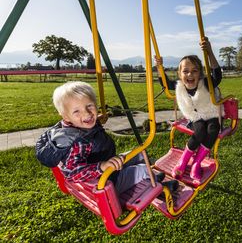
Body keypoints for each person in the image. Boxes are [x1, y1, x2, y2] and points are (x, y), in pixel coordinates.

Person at [35, 81, 173, 194]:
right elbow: (72, 172)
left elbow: (85, 126)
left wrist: (97, 120)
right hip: (107, 182)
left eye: (89, 106)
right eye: (77, 111)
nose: (87, 113)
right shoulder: (77, 143)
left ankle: (151, 173)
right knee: (143, 169)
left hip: (106, 166)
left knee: (139, 155)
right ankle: (159, 187)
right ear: (65, 116)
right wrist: (101, 167)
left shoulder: (71, 126)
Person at [155, 37, 223, 183]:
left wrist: (209, 51)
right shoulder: (179, 86)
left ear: (200, 73)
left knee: (213, 129)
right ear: (180, 74)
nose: (190, 75)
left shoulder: (207, 83)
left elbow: (217, 75)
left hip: (211, 114)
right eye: (185, 71)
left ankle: (197, 163)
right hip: (195, 117)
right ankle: (183, 161)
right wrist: (159, 67)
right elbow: (165, 83)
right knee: (199, 132)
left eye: (194, 71)